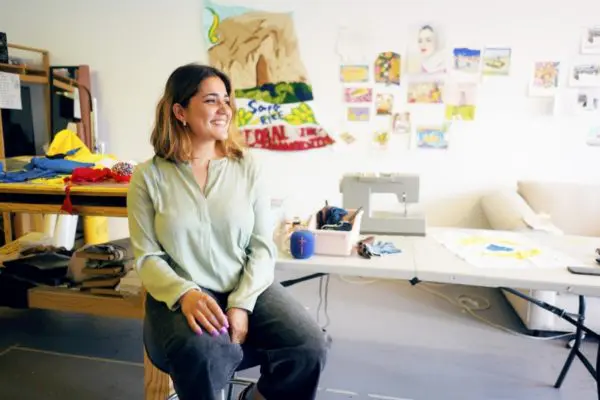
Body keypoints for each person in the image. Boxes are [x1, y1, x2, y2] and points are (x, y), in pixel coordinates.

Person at [127, 63, 328, 400]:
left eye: (226, 100)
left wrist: (243, 303)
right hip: (182, 293)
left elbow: (263, 247)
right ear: (180, 111)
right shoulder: (148, 177)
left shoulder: (247, 167)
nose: (225, 109)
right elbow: (147, 258)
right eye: (211, 100)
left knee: (308, 346)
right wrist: (186, 294)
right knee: (203, 353)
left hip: (244, 283)